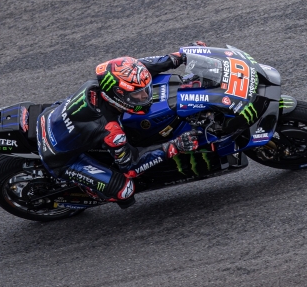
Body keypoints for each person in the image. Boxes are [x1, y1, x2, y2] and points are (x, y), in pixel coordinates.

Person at [36, 50, 201, 208]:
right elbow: (131, 166)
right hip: (59, 157)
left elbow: (143, 67)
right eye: (137, 95)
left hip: (50, 116)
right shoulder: (111, 130)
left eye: (145, 91)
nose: (145, 96)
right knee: (125, 189)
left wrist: (179, 57)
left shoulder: (107, 80)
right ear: (118, 94)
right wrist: (174, 146)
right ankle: (90, 189)